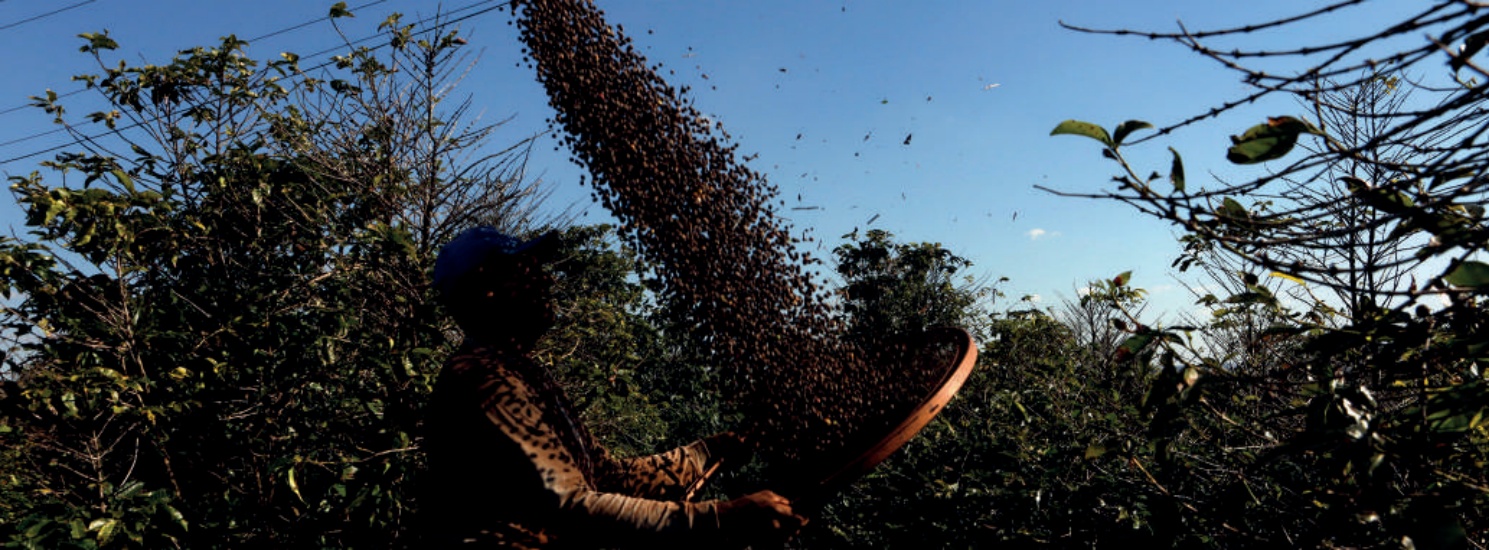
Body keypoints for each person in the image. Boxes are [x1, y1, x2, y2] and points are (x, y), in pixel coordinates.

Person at [421, 226, 805, 548]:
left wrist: (711, 450)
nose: (546, 278)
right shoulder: (482, 379)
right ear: (487, 291)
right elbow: (573, 507)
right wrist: (725, 518)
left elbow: (607, 476)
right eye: (526, 268)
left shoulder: (525, 376)